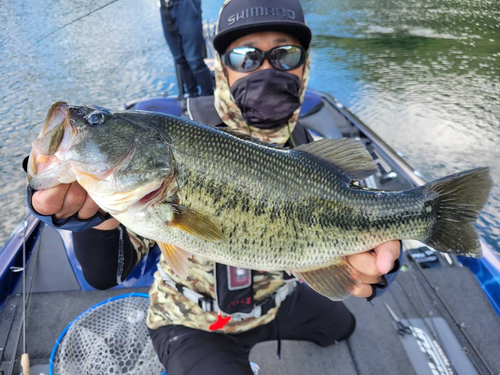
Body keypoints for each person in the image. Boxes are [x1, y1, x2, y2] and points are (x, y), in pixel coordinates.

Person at [27, 0, 403, 373]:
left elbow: (362, 228)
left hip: (277, 301)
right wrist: (86, 217)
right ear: (221, 67)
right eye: (245, 57)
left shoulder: (313, 152)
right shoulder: (172, 151)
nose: (267, 68)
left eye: (285, 54)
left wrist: (377, 263)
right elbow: (104, 274)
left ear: (305, 64)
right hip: (192, 321)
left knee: (344, 326)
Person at [160, 0, 214, 97]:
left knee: (195, 60)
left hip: (186, 4)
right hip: (164, 6)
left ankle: (208, 96)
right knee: (179, 60)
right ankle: (192, 95)